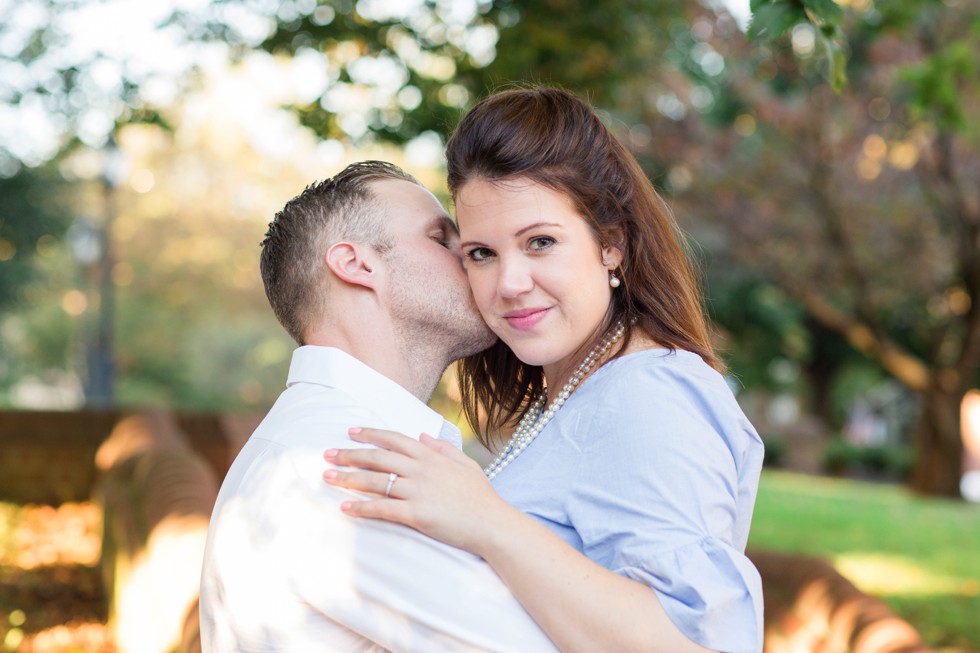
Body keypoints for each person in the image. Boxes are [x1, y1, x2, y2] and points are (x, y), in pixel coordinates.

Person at [323, 87, 766, 653]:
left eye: (540, 242)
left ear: (612, 244)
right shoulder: (579, 390)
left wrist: (488, 521)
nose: (508, 283)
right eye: (481, 253)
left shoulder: (652, 395)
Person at [199, 161, 559, 652]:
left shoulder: (332, 447)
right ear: (357, 264)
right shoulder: (342, 468)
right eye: (441, 238)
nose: (475, 256)